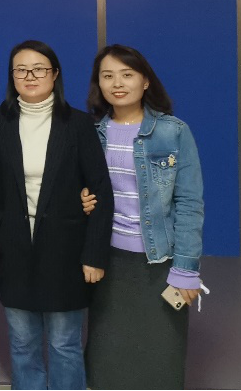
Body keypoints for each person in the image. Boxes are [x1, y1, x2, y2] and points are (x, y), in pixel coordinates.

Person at [0, 40, 114, 390]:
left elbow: (100, 190)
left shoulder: (78, 123)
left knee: (64, 343)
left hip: (66, 250)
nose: (30, 76)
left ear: (55, 74)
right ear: (12, 76)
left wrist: (94, 254)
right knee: (22, 343)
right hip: (13, 246)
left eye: (39, 69)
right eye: (21, 70)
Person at [83, 44, 205, 390]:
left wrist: (186, 270)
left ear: (145, 81)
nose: (117, 83)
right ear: (98, 84)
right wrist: (81, 197)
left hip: (159, 261)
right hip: (106, 260)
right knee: (107, 359)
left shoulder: (173, 132)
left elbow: (189, 202)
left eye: (127, 74)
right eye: (107, 76)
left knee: (160, 359)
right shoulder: (90, 132)